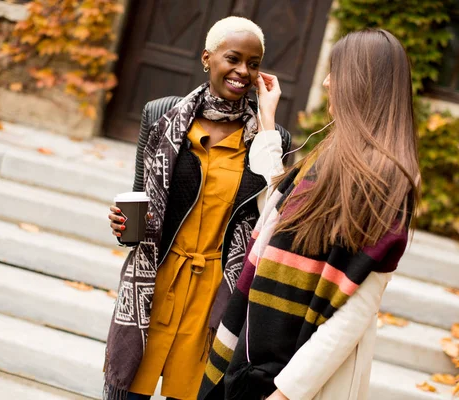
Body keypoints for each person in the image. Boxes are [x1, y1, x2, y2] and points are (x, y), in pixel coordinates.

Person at [199, 29, 420, 400]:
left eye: (338, 72)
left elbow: (354, 312)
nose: (328, 81)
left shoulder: (385, 179)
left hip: (296, 380)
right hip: (263, 360)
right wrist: (267, 121)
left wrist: (285, 394)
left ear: (362, 83)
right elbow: (280, 214)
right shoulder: (335, 155)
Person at [103, 16, 290, 400]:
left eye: (253, 64)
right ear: (208, 58)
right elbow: (140, 200)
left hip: (217, 294)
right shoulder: (160, 115)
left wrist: (268, 121)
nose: (242, 71)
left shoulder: (271, 138)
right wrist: (124, 226)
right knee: (127, 391)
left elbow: (276, 216)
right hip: (154, 284)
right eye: (233, 58)